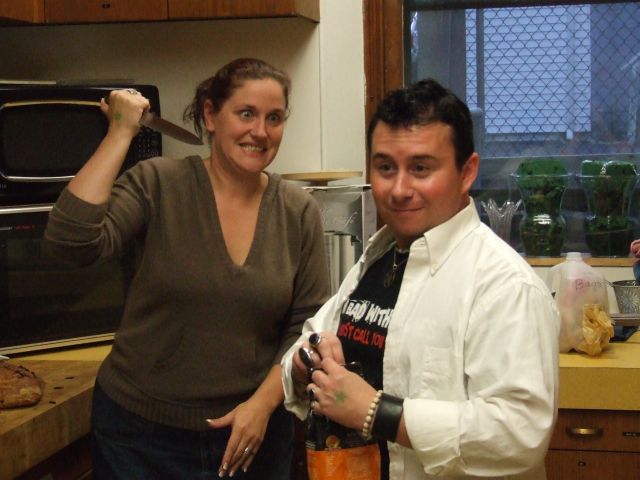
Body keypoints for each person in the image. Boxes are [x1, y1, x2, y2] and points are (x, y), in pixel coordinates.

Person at [43, 58, 330, 479]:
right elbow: (69, 242)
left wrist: (262, 404)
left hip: (252, 435)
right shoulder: (158, 184)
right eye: (246, 114)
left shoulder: (297, 210)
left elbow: (307, 326)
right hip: (138, 439)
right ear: (211, 115)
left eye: (274, 118)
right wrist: (120, 133)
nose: (260, 131)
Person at [281, 78, 560, 479]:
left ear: (467, 172)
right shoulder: (379, 256)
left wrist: (377, 412)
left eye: (421, 168)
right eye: (385, 168)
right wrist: (305, 362)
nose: (399, 189)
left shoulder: (504, 285)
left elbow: (519, 434)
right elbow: (308, 341)